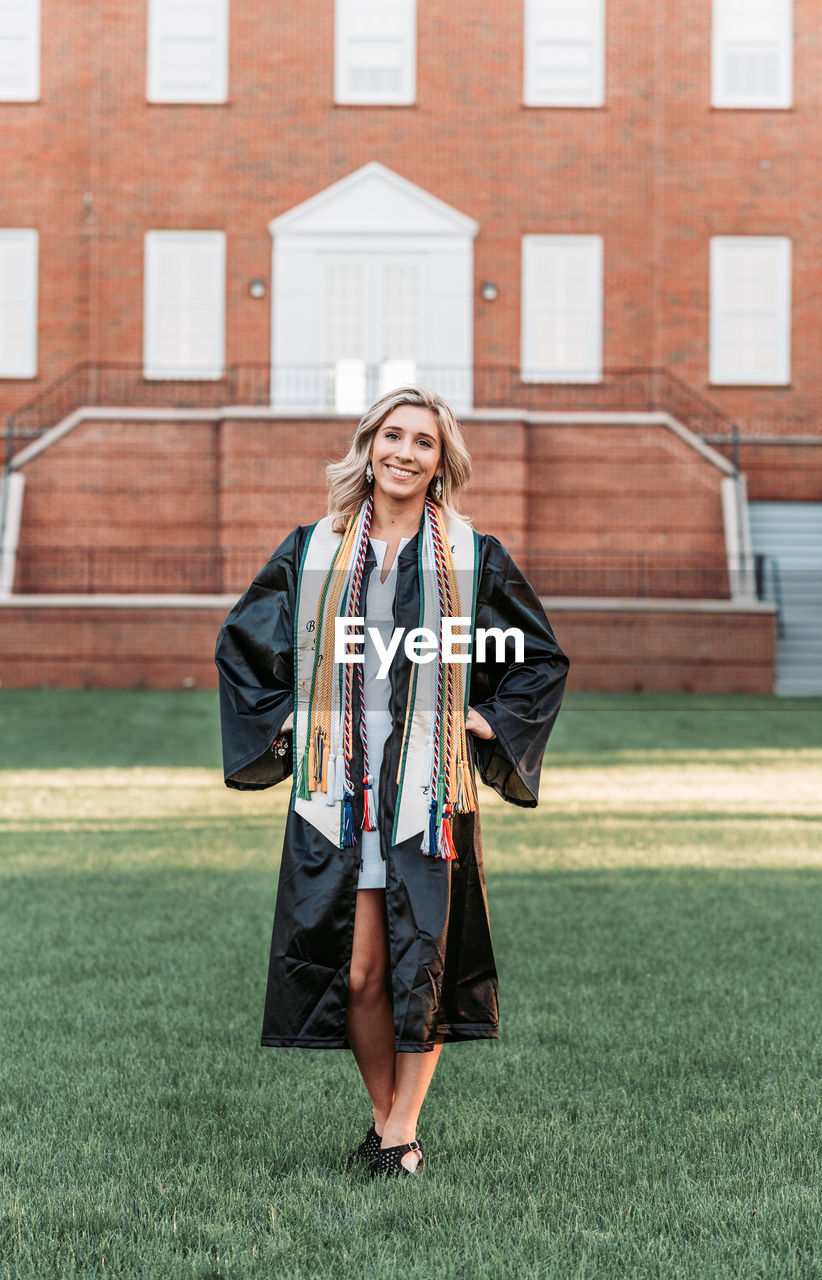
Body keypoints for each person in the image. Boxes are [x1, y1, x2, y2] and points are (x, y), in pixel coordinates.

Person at [215, 385, 569, 1178]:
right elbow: (244, 645)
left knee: (420, 964)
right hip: (335, 783)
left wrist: (490, 722)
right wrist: (280, 719)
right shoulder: (313, 549)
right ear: (369, 444)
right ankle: (388, 1123)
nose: (405, 454)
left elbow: (538, 658)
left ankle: (399, 1135)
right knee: (360, 970)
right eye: (394, 436)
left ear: (443, 463)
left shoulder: (470, 556)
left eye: (425, 443)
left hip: (424, 786)